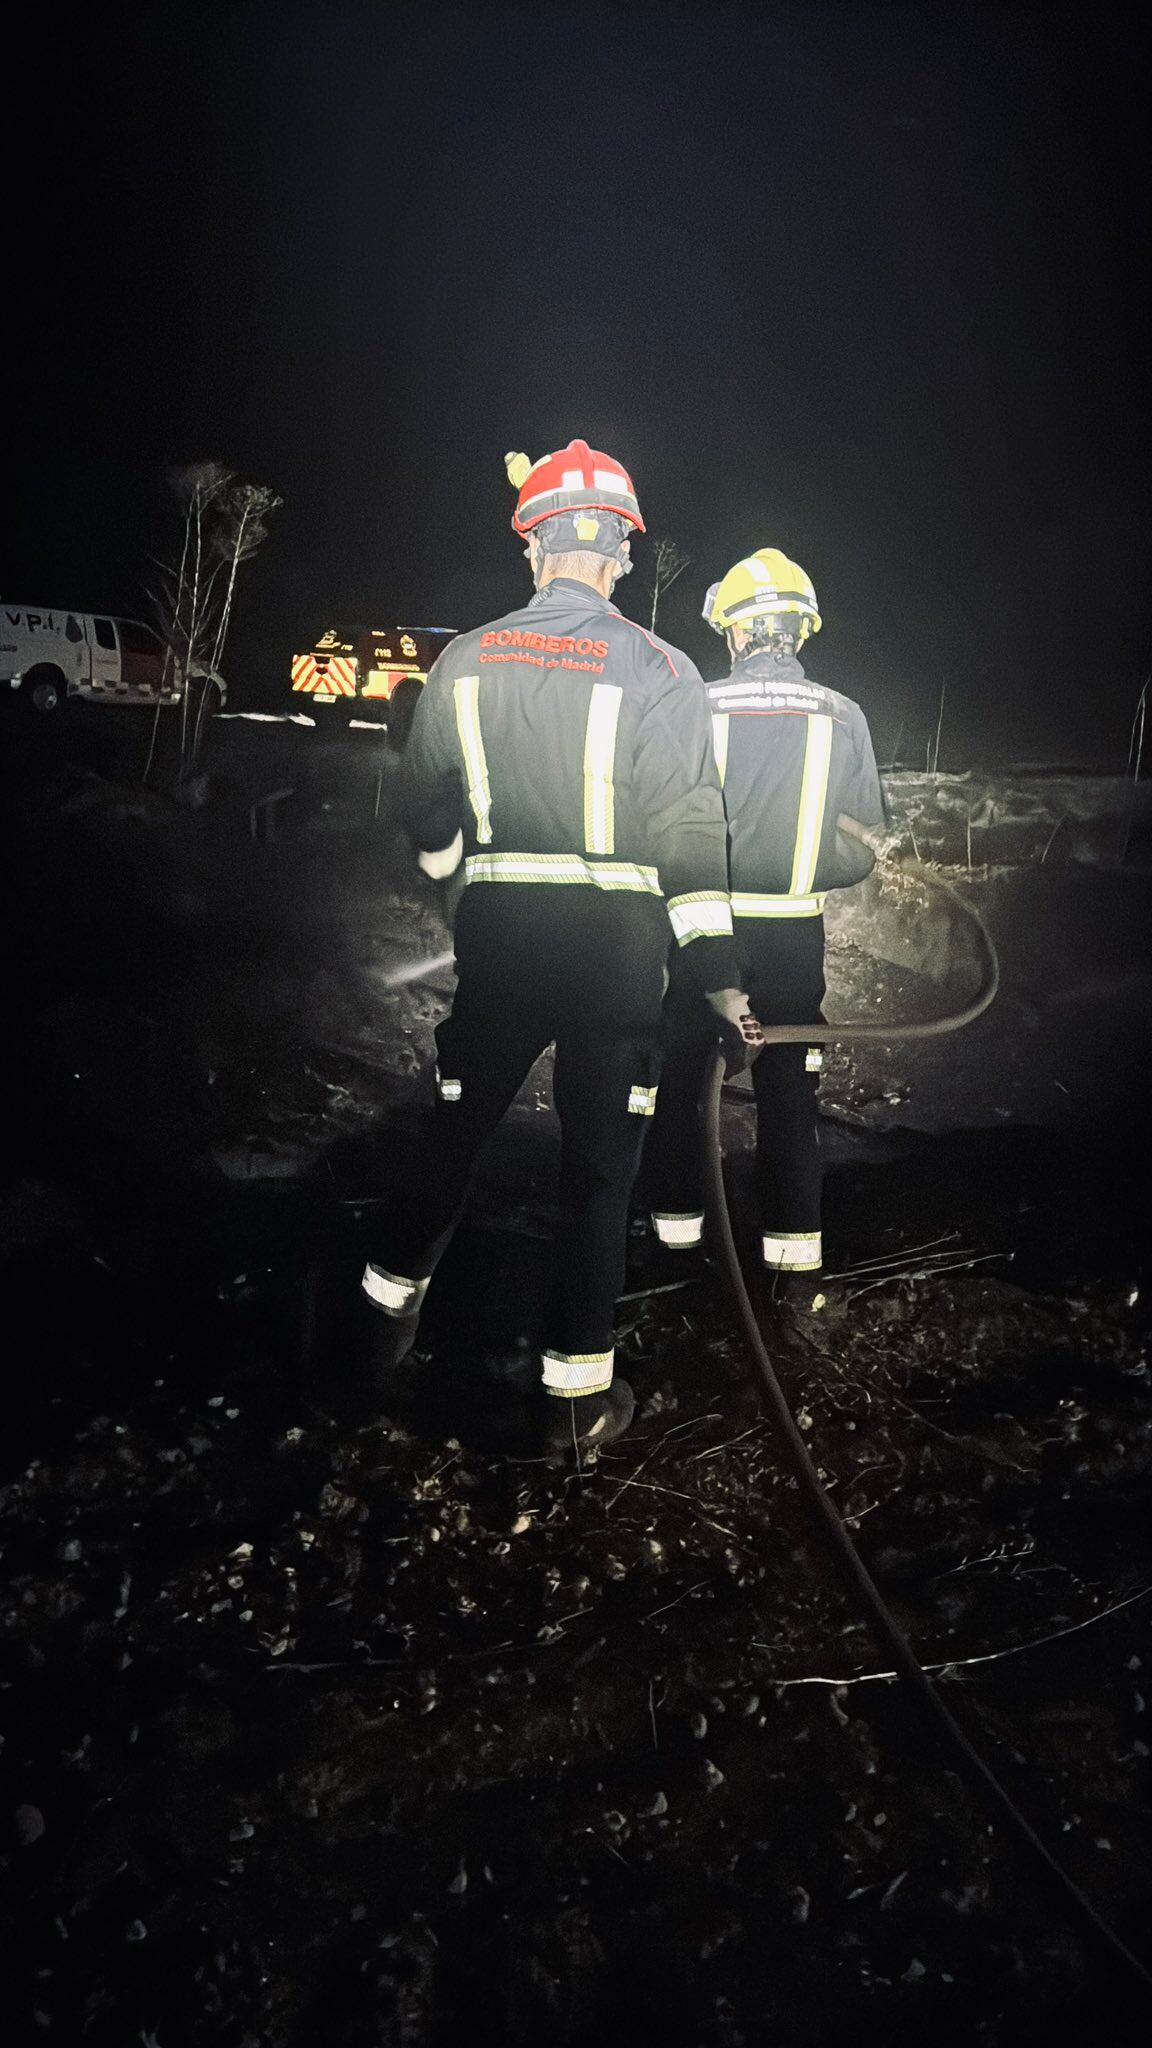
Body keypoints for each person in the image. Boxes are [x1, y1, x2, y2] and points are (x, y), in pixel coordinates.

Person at [359, 440, 757, 1455]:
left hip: (499, 944)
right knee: (597, 1172)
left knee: (453, 1132)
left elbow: (424, 805)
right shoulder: (664, 670)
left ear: (532, 549)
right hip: (617, 960)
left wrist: (459, 869)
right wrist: (718, 981)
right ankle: (575, 1400)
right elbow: (689, 838)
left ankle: (371, 1337)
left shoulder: (462, 658)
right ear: (621, 550)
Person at [642, 547, 885, 1296]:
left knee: (685, 1080)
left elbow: (660, 828)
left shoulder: (696, 708)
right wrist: (802, 868)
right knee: (789, 1092)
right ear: (798, 631)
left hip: (700, 932)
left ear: (737, 632)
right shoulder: (844, 716)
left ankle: (672, 1252)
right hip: (793, 939)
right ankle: (793, 1267)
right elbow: (861, 851)